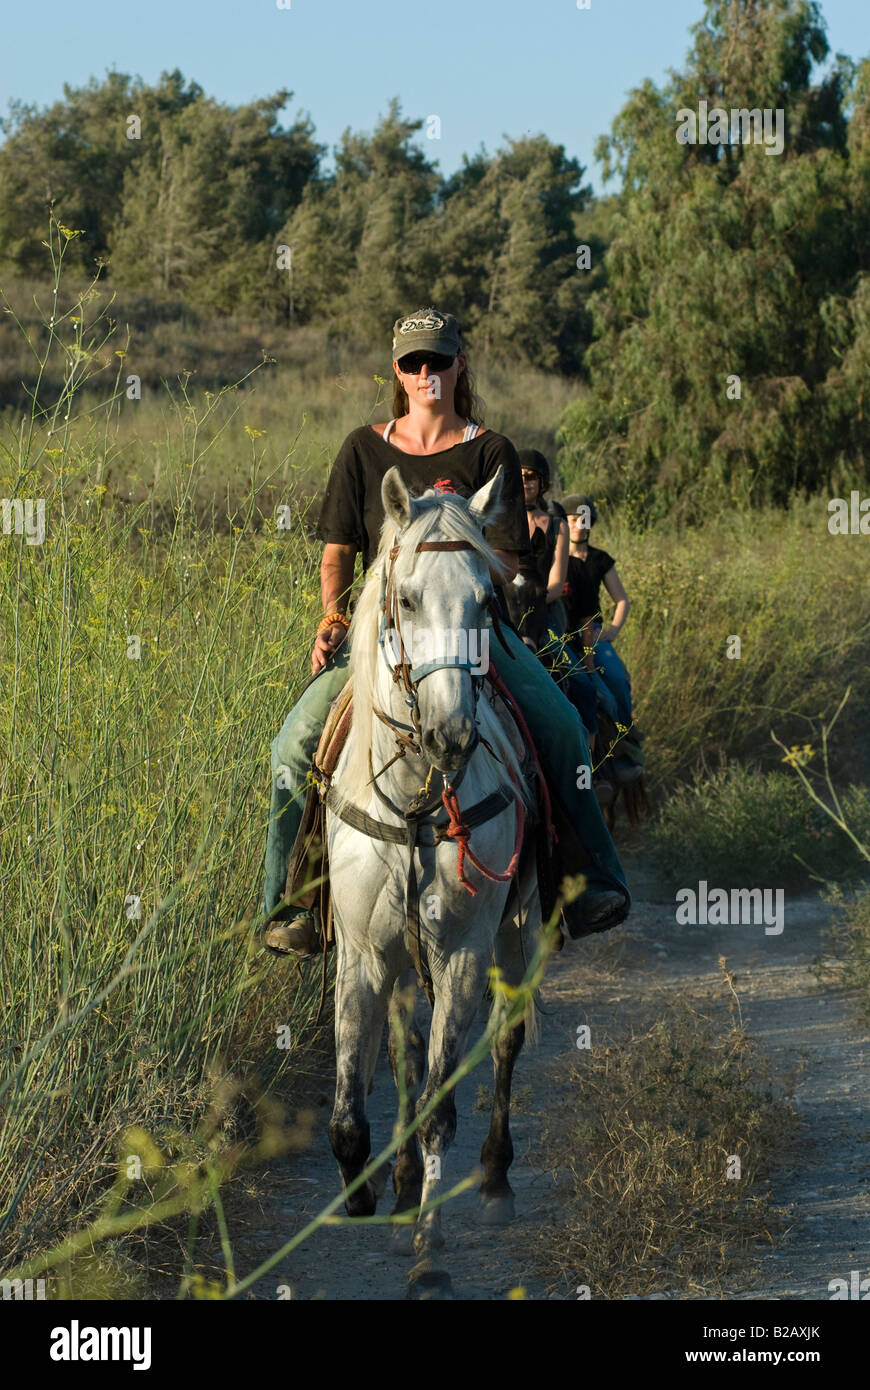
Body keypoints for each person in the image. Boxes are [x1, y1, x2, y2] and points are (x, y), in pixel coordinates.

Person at [260, 307, 630, 956]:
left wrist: (473, 604)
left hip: (475, 633)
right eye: (413, 362)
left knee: (565, 729)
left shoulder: (491, 452)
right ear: (398, 372)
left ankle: (585, 883)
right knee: (291, 748)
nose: (426, 372)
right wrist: (333, 616)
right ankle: (294, 905)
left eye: (439, 359)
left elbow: (514, 558)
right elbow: (337, 552)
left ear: (460, 364)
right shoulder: (361, 449)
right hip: (384, 641)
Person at [561, 494, 643, 784]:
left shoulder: (599, 560)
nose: (579, 525)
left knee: (617, 681)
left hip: (592, 632)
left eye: (584, 520)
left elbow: (621, 600)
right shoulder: (558, 560)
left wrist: (613, 630)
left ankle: (627, 743)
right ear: (565, 523)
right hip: (560, 633)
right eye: (573, 520)